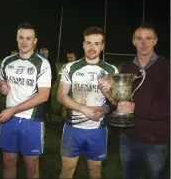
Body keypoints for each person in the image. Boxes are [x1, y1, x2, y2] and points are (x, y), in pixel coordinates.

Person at [99, 22, 170, 179]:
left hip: (155, 141)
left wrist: (135, 107)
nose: (143, 43)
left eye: (148, 38)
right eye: (139, 39)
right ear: (133, 41)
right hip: (128, 138)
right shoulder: (127, 68)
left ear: (155, 41)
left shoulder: (166, 68)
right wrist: (107, 92)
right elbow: (119, 104)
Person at [57, 26, 118, 179]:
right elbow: (61, 96)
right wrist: (84, 109)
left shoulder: (111, 70)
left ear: (103, 46)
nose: (92, 48)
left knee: (95, 170)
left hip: (97, 130)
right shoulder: (70, 67)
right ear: (83, 44)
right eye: (89, 43)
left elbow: (115, 102)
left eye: (97, 44)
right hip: (73, 127)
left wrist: (107, 93)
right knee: (67, 169)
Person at [0, 23, 52, 179]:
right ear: (16, 38)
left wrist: (13, 110)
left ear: (35, 41)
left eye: (29, 38)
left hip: (31, 121)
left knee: (31, 166)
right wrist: (2, 85)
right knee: (8, 161)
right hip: (9, 119)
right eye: (21, 38)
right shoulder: (8, 61)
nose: (24, 42)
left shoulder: (43, 64)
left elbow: (43, 96)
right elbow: (0, 80)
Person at [39, 47, 57, 122]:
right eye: (43, 54)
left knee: (48, 102)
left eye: (46, 53)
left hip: (48, 87)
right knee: (39, 102)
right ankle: (40, 116)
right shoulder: (37, 62)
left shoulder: (51, 62)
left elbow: (55, 75)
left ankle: (48, 116)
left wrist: (50, 84)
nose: (45, 55)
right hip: (38, 88)